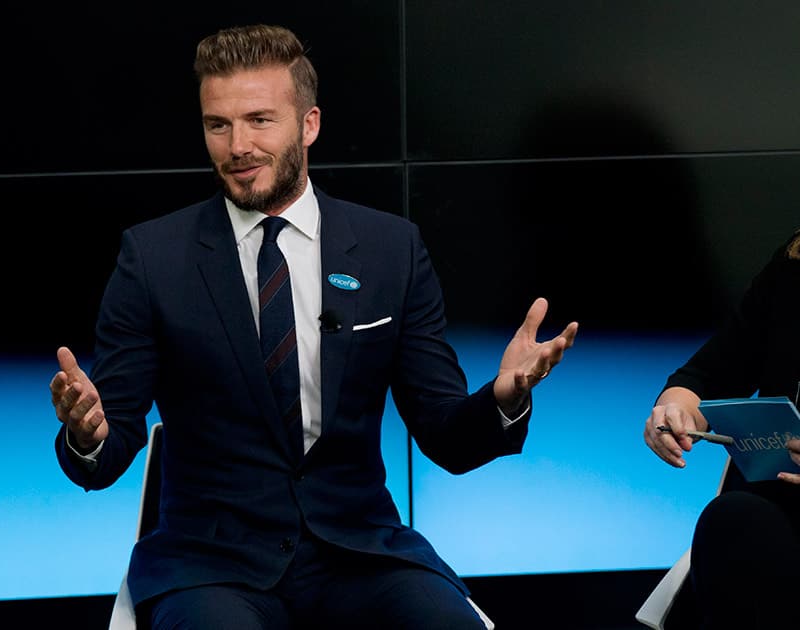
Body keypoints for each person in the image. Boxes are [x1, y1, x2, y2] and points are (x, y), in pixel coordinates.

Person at [51, 24, 578, 629]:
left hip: (361, 552)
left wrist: (504, 399)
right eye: (217, 125)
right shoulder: (153, 259)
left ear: (309, 125)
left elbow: (444, 435)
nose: (237, 146)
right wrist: (87, 432)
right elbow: (108, 448)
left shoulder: (390, 250)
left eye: (259, 120)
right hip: (211, 566)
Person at [644, 228, 800, 630]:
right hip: (768, 518)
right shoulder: (793, 263)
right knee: (735, 523)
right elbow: (710, 374)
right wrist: (674, 409)